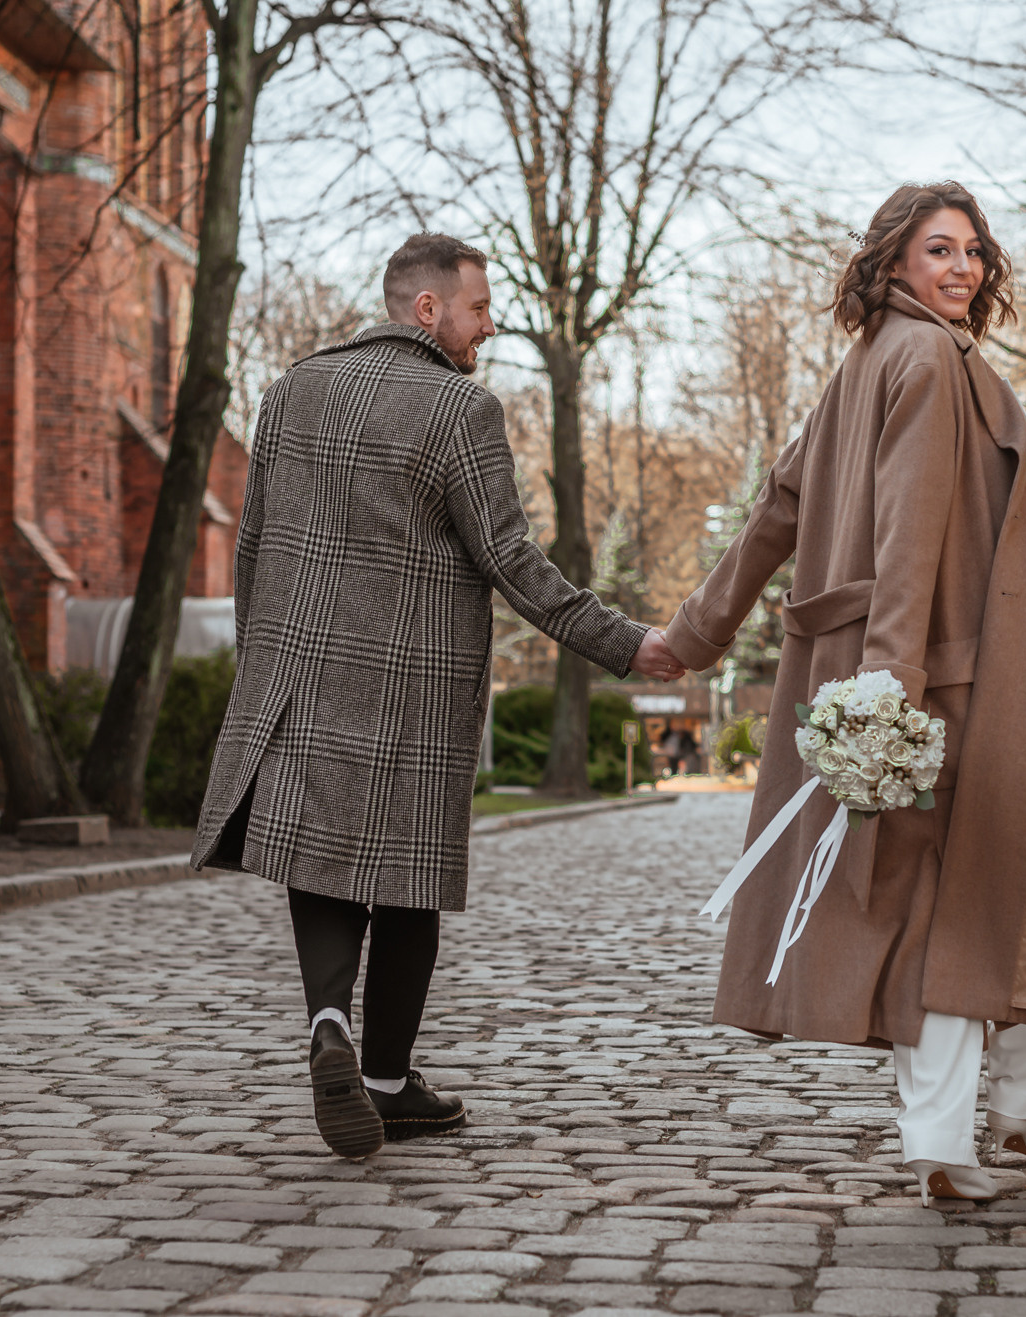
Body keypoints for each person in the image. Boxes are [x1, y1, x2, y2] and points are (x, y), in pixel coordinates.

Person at [663, 184, 1026, 1204]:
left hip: (945, 664)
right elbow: (910, 534)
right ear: (894, 262)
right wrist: (894, 687)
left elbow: (775, 507)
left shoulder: (869, 361)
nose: (961, 268)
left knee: (1005, 886)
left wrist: (694, 634)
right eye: (938, 250)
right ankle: (947, 1142)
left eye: (973, 252)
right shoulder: (921, 359)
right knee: (953, 911)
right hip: (948, 675)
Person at [192, 233, 685, 1159]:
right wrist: (629, 643)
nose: (487, 328)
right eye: (479, 310)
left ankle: (329, 1017)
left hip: (295, 675)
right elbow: (511, 561)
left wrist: (259, 665)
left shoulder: (290, 390)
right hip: (411, 686)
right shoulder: (461, 408)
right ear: (427, 309)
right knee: (405, 877)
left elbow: (250, 544)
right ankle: (385, 1080)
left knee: (323, 861)